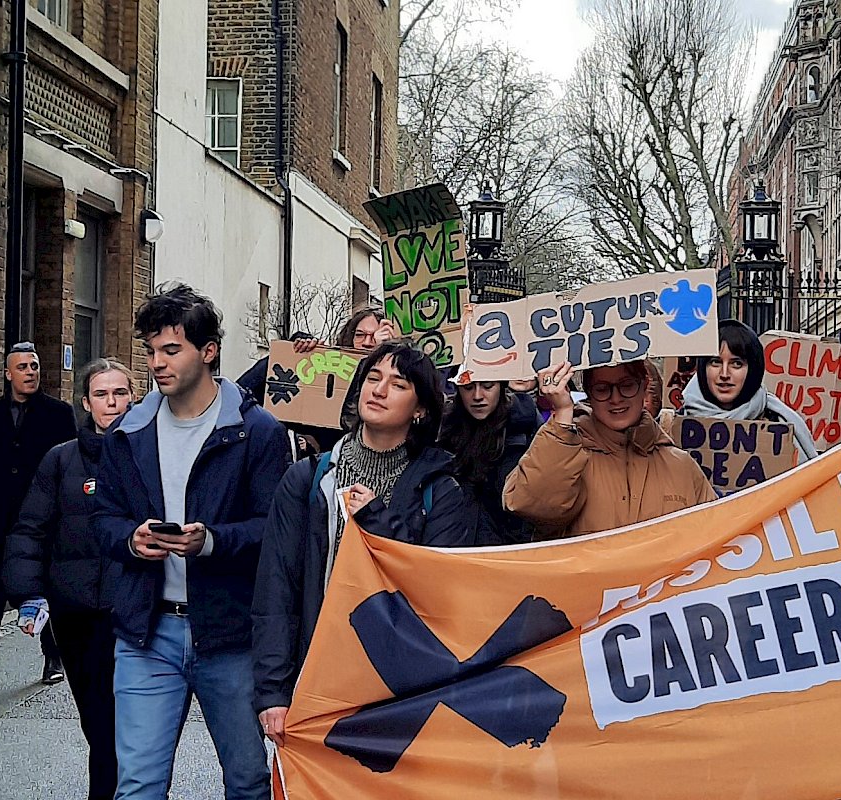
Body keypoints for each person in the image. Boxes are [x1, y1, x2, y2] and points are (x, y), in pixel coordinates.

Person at [93, 284, 291, 800]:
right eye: (152, 351)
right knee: (137, 784)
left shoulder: (256, 431)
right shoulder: (128, 431)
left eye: (171, 350)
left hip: (229, 634)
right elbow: (102, 519)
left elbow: (273, 528)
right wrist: (131, 540)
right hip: (146, 631)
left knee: (248, 780)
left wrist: (211, 542)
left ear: (208, 352)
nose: (157, 363)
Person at [252, 340, 486, 745]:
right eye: (372, 378)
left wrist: (378, 521)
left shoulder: (442, 490)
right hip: (321, 675)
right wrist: (274, 692)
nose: (378, 390)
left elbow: (436, 590)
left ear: (421, 409)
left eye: (397, 384)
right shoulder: (308, 480)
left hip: (403, 688)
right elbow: (277, 588)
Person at [2, 359, 136, 800]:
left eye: (120, 393)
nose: (111, 402)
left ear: (133, 397)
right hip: (77, 615)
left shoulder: (151, 456)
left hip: (134, 613)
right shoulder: (61, 461)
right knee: (98, 724)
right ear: (86, 401)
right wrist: (28, 593)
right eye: (101, 394)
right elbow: (30, 529)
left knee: (136, 727)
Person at [0, 341, 77, 699]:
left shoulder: (58, 414)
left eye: (34, 366)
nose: (30, 372)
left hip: (43, 525)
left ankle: (53, 660)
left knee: (44, 593)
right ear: (8, 374)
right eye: (22, 367)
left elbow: (69, 471)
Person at [504, 360, 716, 537]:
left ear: (644, 386)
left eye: (627, 385)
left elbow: (713, 540)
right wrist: (562, 413)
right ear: (588, 393)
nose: (616, 398)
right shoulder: (566, 452)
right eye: (602, 389)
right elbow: (532, 504)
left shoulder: (682, 467)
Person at [679, 320, 818, 458]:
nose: (724, 374)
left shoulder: (780, 423)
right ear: (703, 368)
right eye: (716, 362)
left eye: (736, 364)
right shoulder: (676, 425)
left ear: (753, 370)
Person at [438, 376, 541, 544]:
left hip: (510, 552)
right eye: (468, 387)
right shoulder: (442, 429)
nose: (477, 396)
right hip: (453, 548)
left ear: (501, 385)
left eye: (487, 386)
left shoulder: (524, 424)